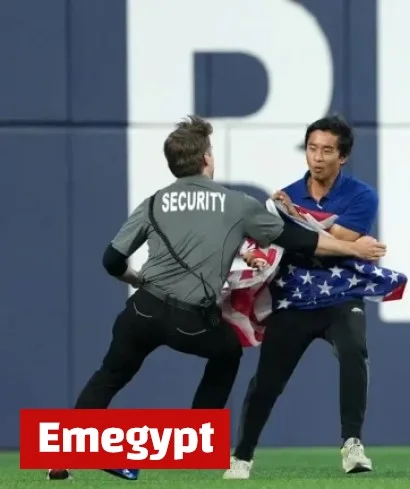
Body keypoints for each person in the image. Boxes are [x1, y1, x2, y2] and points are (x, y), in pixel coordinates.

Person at [48, 115, 386, 482]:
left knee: (109, 375)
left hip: (141, 311)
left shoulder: (153, 202)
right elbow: (297, 240)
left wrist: (138, 279)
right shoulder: (234, 204)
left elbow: (111, 260)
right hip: (188, 320)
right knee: (228, 352)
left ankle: (62, 455)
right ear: (207, 159)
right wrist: (351, 246)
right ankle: (190, 439)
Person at [224, 116, 379, 480]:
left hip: (340, 294)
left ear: (343, 156)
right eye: (312, 149)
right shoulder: (287, 195)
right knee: (267, 381)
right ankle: (242, 456)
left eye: (327, 150)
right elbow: (296, 240)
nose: (318, 158)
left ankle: (352, 444)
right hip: (293, 298)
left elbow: (333, 238)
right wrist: (278, 231)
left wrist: (291, 220)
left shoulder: (361, 195)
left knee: (354, 348)